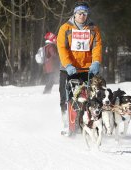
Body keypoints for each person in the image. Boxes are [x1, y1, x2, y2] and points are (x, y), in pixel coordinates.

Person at [57, 1, 102, 135]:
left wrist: (96, 62)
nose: (82, 15)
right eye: (79, 13)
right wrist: (68, 64)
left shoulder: (93, 29)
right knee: (66, 96)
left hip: (88, 69)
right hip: (68, 69)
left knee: (91, 96)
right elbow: (61, 47)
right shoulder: (65, 28)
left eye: (85, 13)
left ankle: (90, 122)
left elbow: (97, 47)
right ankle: (67, 123)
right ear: (74, 14)